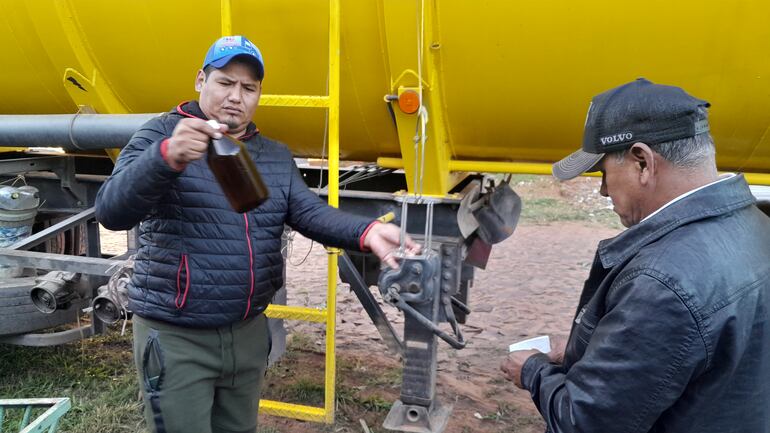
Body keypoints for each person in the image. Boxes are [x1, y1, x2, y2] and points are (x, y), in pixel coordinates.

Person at [95, 35, 418, 433]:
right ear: (201, 80)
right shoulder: (161, 134)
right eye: (225, 82)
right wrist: (165, 159)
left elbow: (309, 211)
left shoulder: (273, 155)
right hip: (178, 337)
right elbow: (111, 211)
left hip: (247, 334)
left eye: (249, 88)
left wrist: (366, 231)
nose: (236, 96)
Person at [500, 78, 770, 433]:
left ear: (642, 162)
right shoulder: (755, 225)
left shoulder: (662, 283)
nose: (602, 190)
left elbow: (585, 422)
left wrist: (533, 371)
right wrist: (598, 352)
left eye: (603, 173)